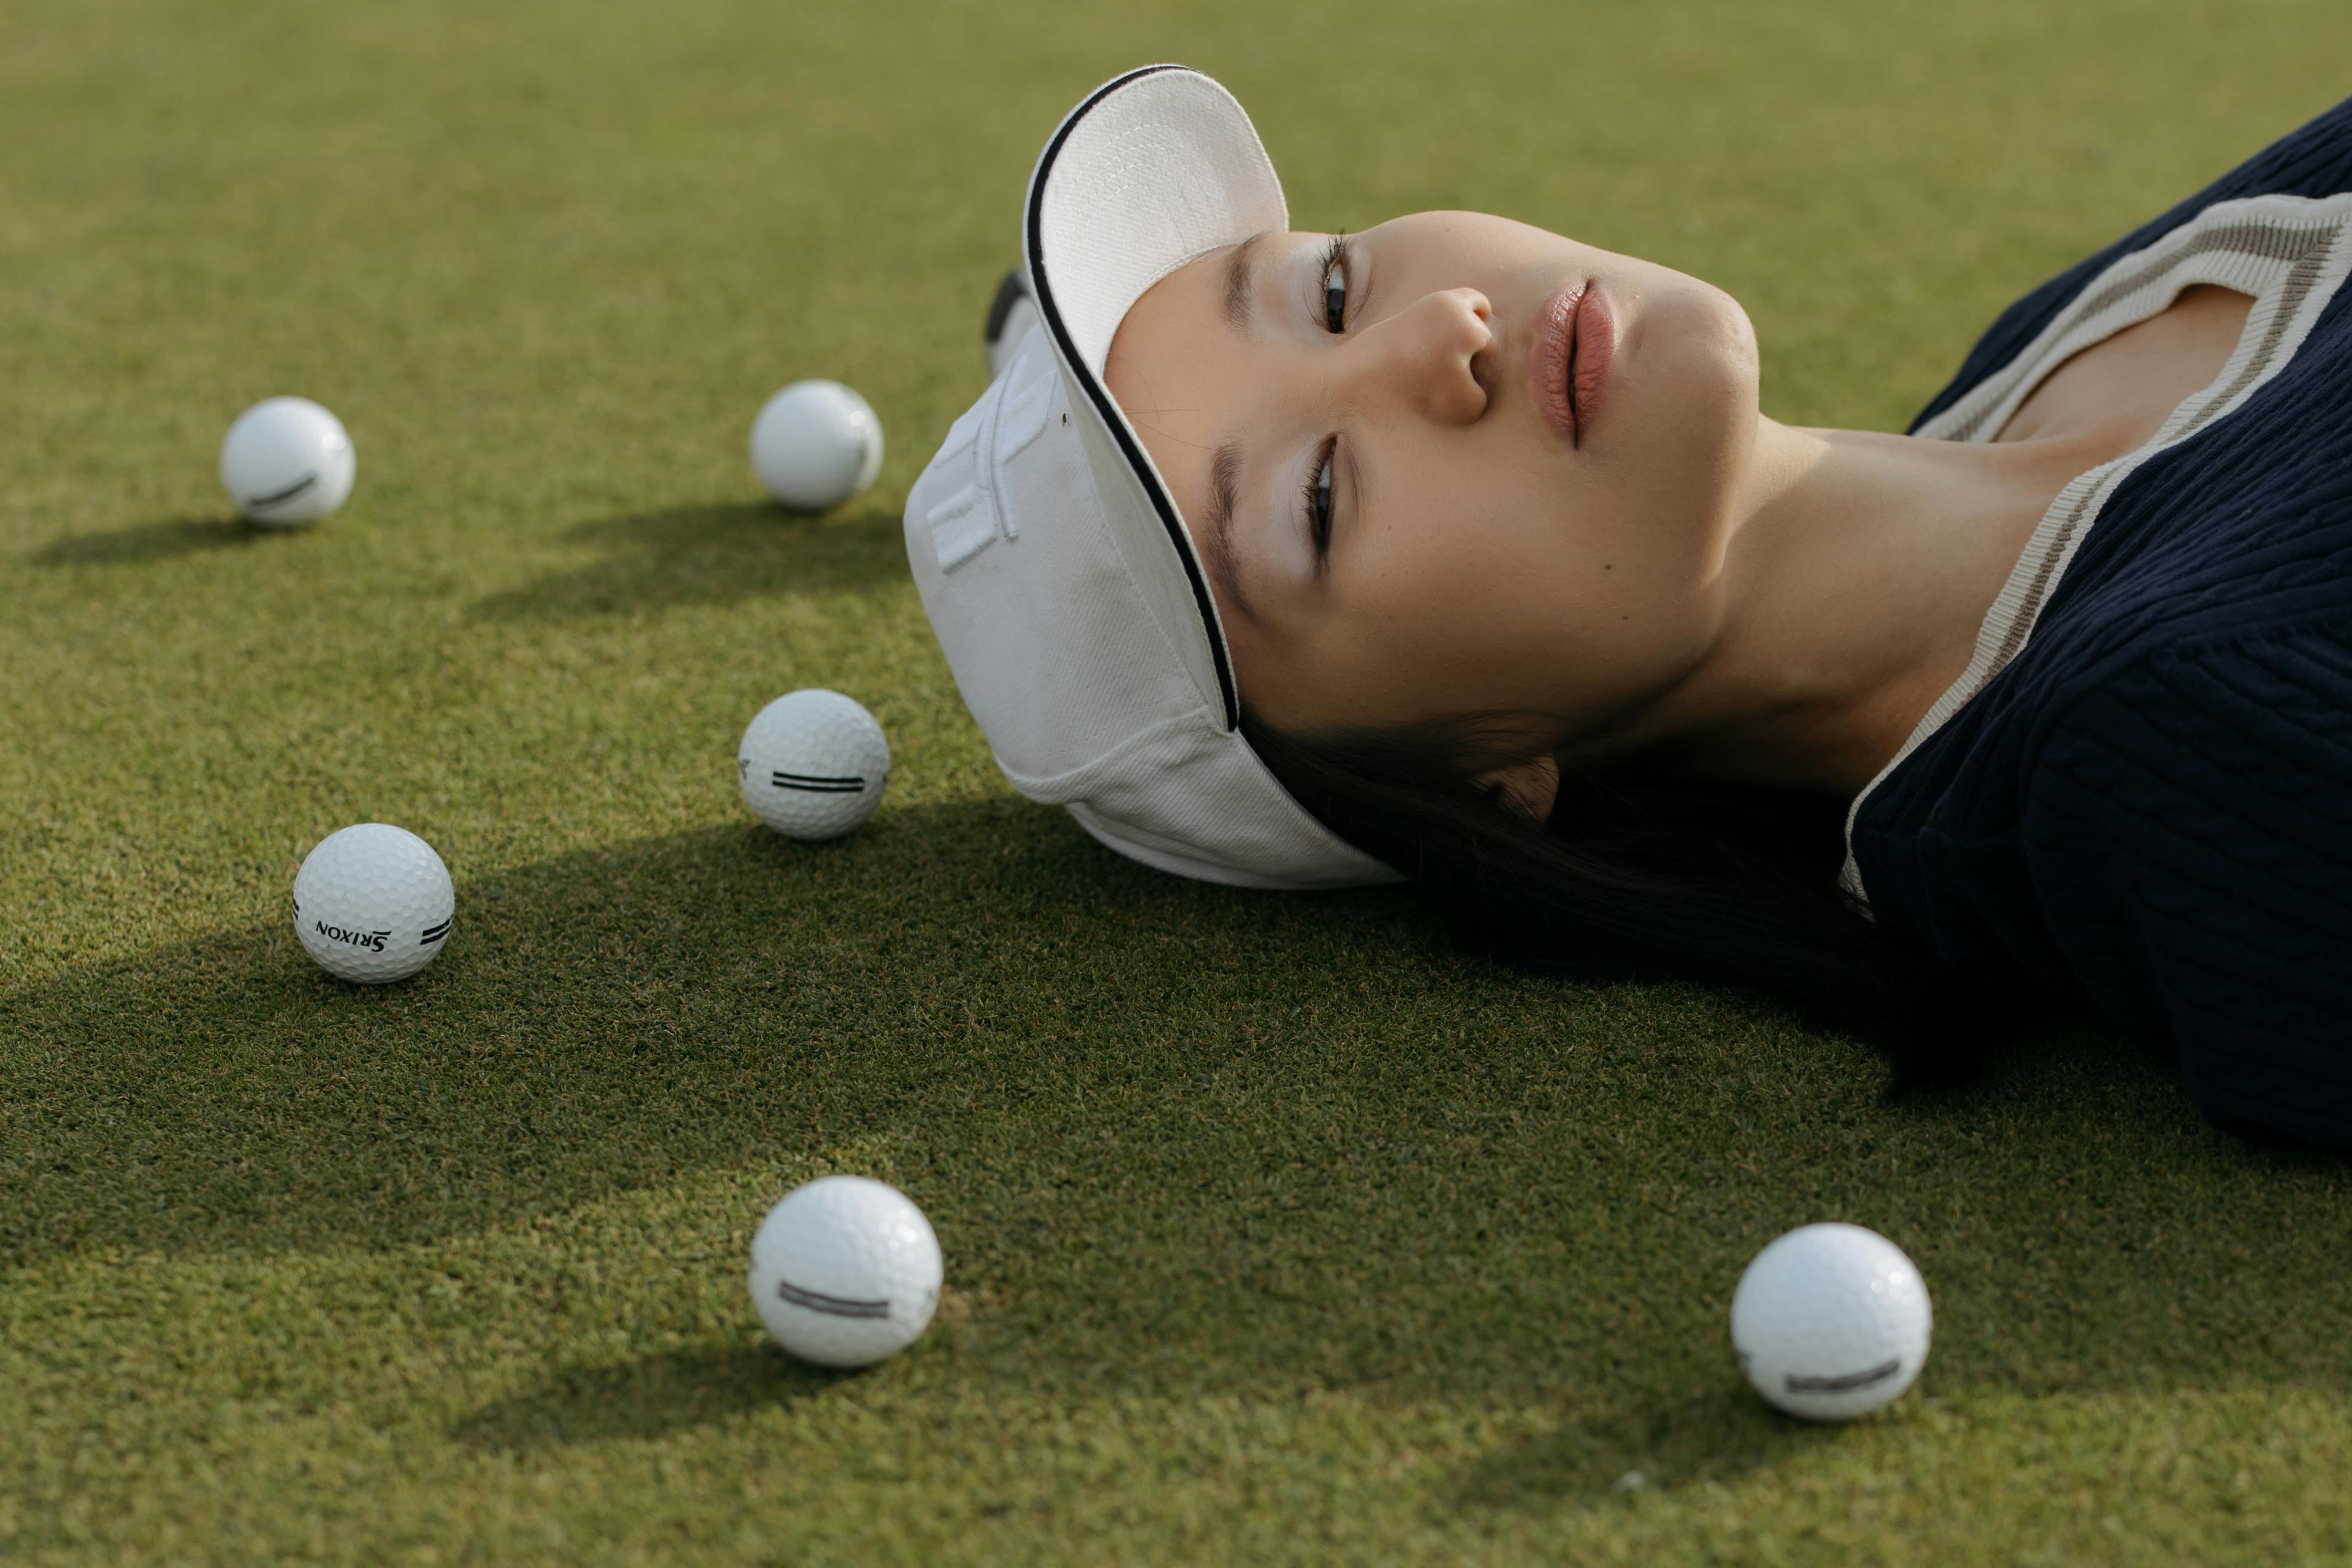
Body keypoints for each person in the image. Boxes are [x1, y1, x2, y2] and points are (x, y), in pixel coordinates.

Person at [902, 67, 2352, 1149]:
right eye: (1321, 501)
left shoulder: (2050, 348)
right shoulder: (2185, 739)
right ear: (1488, 782)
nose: (1439, 336)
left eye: (1330, 291)